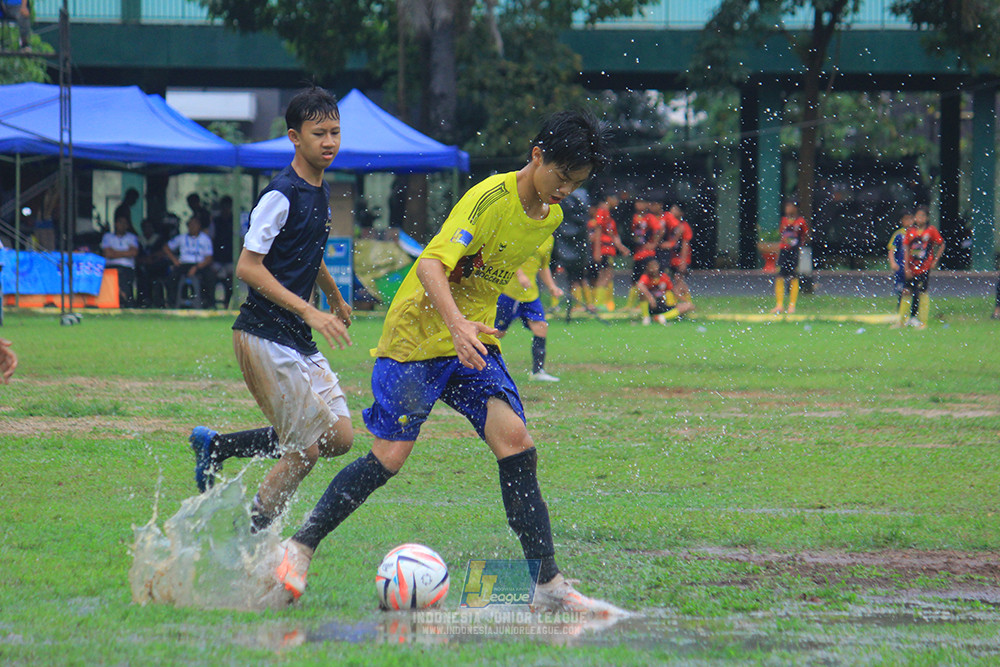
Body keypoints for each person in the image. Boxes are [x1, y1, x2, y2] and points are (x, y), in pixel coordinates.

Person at [271, 109, 626, 616]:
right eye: (561, 177)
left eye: (577, 183)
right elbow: (433, 263)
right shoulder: (488, 200)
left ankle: (548, 585)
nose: (566, 190)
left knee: (516, 443)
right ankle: (300, 546)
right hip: (419, 335)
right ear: (537, 156)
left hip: (470, 344)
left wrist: (473, 325)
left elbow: (495, 270)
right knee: (390, 456)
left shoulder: (551, 217)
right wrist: (457, 323)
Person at [188, 86, 355, 542]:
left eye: (335, 132)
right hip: (263, 335)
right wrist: (311, 311)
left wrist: (336, 298)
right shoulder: (281, 194)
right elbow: (247, 266)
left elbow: (309, 252)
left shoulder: (319, 192)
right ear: (294, 137)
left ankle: (219, 446)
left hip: (294, 336)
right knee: (304, 452)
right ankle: (253, 540)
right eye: (318, 133)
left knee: (339, 437)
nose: (329, 141)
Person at [495, 235, 564, 382]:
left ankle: (537, 372)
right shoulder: (524, 229)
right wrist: (520, 275)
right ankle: (478, 365)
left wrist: (552, 287)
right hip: (510, 292)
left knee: (541, 327)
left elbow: (543, 266)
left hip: (530, 293)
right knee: (497, 333)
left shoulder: (549, 238)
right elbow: (510, 256)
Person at [894, 206, 944, 329]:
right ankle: (901, 320)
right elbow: (906, 248)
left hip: (924, 267)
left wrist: (935, 261)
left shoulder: (931, 231)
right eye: (917, 216)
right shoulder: (911, 231)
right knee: (906, 291)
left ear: (927, 218)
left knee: (922, 292)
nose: (919, 218)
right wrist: (905, 267)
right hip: (911, 267)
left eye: (922, 216)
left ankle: (922, 321)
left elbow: (941, 244)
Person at [587, 194, 630, 311]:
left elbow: (613, 235)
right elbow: (598, 230)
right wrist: (597, 250)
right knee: (604, 275)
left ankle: (600, 303)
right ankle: (598, 304)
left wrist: (621, 248)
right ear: (609, 199)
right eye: (616, 200)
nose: (617, 203)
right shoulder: (602, 212)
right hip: (604, 249)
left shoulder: (609, 216)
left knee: (606, 275)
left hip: (609, 249)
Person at [163, 215, 215, 308]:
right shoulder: (181, 238)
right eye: (190, 225)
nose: (192, 227)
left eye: (194, 224)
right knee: (172, 277)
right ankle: (172, 303)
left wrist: (197, 267)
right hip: (184, 264)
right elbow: (166, 247)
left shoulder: (205, 239)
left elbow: (209, 258)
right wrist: (174, 260)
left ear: (199, 226)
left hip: (200, 264)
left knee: (210, 276)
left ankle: (208, 303)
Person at [770, 201, 809, 314]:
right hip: (784, 251)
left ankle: (792, 305)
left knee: (794, 277)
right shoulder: (784, 220)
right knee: (780, 276)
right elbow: (781, 232)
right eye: (786, 206)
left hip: (794, 251)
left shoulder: (800, 221)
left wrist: (798, 245)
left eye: (790, 206)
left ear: (795, 208)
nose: (788, 209)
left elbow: (805, 234)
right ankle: (779, 304)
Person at [635, 258, 694, 325]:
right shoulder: (646, 277)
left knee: (687, 306)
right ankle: (646, 318)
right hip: (652, 305)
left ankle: (662, 317)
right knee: (642, 293)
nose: (654, 268)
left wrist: (686, 301)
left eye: (655, 265)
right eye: (651, 266)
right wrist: (650, 298)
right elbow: (640, 285)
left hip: (663, 303)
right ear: (647, 267)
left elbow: (673, 291)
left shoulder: (663, 277)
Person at [100, 212, 139, 307]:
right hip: (111, 266)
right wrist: (125, 253)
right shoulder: (107, 237)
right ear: (115, 224)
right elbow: (107, 253)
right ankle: (120, 299)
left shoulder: (132, 237)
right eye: (120, 222)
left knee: (124, 276)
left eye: (125, 223)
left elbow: (134, 253)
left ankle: (126, 300)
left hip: (127, 267)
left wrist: (114, 252)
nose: (122, 225)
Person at [887, 211, 914, 308]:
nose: (908, 222)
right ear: (902, 221)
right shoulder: (898, 235)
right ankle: (900, 308)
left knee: (912, 289)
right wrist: (893, 262)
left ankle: (911, 310)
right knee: (901, 289)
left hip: (912, 267)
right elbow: (892, 250)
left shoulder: (915, 233)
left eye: (910, 219)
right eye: (906, 219)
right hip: (901, 267)